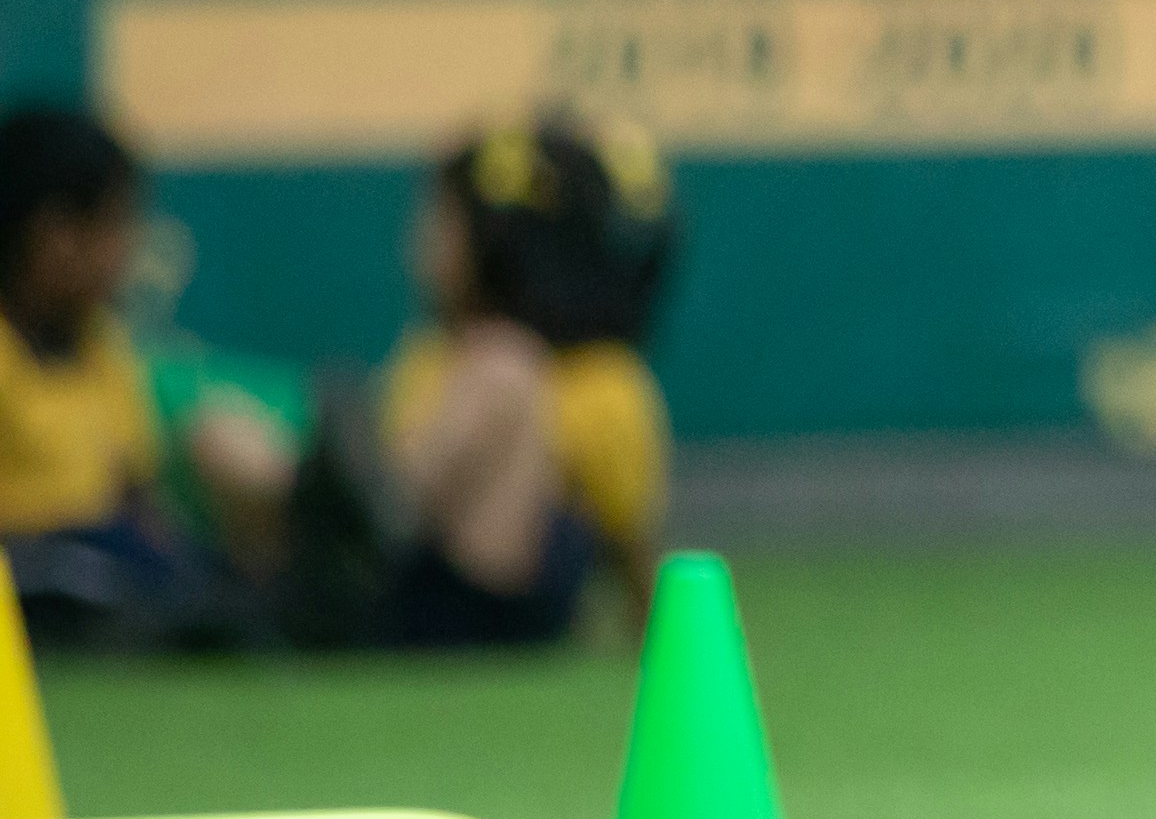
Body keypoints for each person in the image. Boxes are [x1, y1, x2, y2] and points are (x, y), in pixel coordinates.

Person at [278, 111, 680, 651]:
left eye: (438, 220)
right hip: (408, 578)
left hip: (470, 600)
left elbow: (631, 543)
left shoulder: (572, 379)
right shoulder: (429, 355)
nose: (418, 239)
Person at [0, 104, 289, 654]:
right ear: (53, 235)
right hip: (35, 577)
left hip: (115, 565)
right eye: (114, 226)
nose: (126, 250)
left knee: (207, 580)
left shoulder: (105, 350)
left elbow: (139, 500)